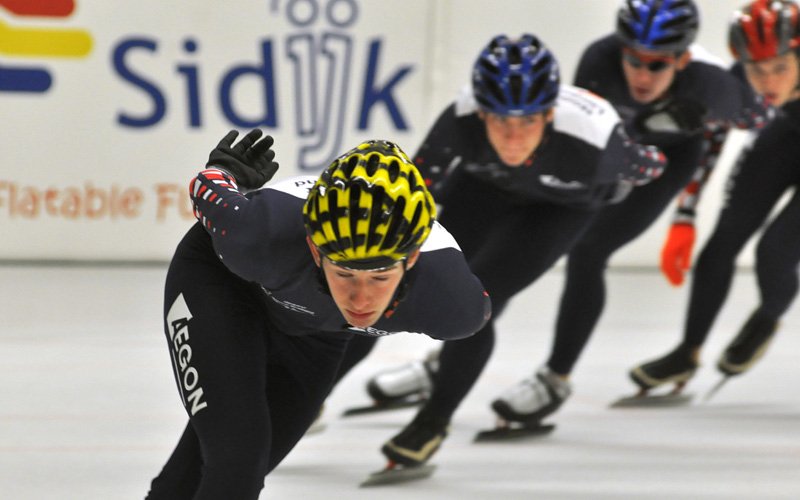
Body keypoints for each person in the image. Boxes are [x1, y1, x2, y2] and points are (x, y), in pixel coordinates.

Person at [359, 0, 773, 435]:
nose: (642, 75)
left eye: (658, 64)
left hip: (662, 162)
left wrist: (688, 203)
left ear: (684, 58)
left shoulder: (712, 87)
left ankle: (556, 376)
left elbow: (767, 111)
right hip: (610, 157)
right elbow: (582, 137)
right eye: (633, 58)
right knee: (490, 261)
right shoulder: (600, 58)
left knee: (588, 251)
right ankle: (446, 359)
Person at [331, 33, 668, 467]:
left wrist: (642, 158)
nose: (512, 137)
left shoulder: (597, 140)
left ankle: (434, 420)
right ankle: (320, 389)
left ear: (550, 114)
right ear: (482, 113)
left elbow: (653, 166)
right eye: (500, 122)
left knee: (477, 300)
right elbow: (409, 190)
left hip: (558, 209)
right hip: (484, 188)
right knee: (393, 280)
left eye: (526, 122)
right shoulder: (460, 118)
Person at [144, 131, 491, 500]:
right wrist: (226, 171)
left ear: (412, 260)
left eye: (380, 277)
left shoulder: (453, 302)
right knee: (238, 460)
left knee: (221, 476)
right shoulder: (257, 235)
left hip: (315, 334)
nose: (361, 298)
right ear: (313, 247)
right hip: (223, 287)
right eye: (344, 273)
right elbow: (206, 187)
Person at [631, 0, 800, 392]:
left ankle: (766, 317)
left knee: (774, 252)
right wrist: (685, 217)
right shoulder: (737, 78)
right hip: (783, 138)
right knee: (719, 246)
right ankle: (686, 352)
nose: (768, 82)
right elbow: (711, 141)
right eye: (756, 70)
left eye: (780, 68)